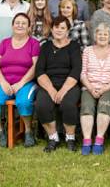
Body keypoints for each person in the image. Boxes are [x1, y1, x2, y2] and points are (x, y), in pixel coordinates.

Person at [0, 13, 39, 147]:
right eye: (17, 23)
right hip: (5, 82)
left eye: (23, 23)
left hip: (26, 82)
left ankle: (28, 132)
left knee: (24, 102)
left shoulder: (34, 43)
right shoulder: (5, 43)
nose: (20, 25)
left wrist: (21, 83)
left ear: (29, 27)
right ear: (12, 26)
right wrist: (2, 82)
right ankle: (0, 131)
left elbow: (35, 66)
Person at [35, 16, 82, 152]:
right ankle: (53, 137)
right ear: (52, 29)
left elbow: (76, 70)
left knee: (68, 105)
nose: (59, 30)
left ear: (68, 31)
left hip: (69, 84)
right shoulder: (46, 46)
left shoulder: (74, 46)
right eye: (56, 27)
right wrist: (50, 90)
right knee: (42, 105)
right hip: (48, 84)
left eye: (63, 28)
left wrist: (63, 91)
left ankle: (70, 138)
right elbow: (39, 71)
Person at [80, 23, 110, 155]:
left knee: (104, 105)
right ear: (95, 36)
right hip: (89, 87)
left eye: (105, 34)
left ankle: (99, 140)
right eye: (100, 34)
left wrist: (106, 88)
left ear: (109, 37)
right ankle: (87, 140)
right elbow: (83, 74)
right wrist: (91, 88)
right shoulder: (87, 50)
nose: (102, 36)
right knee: (86, 106)